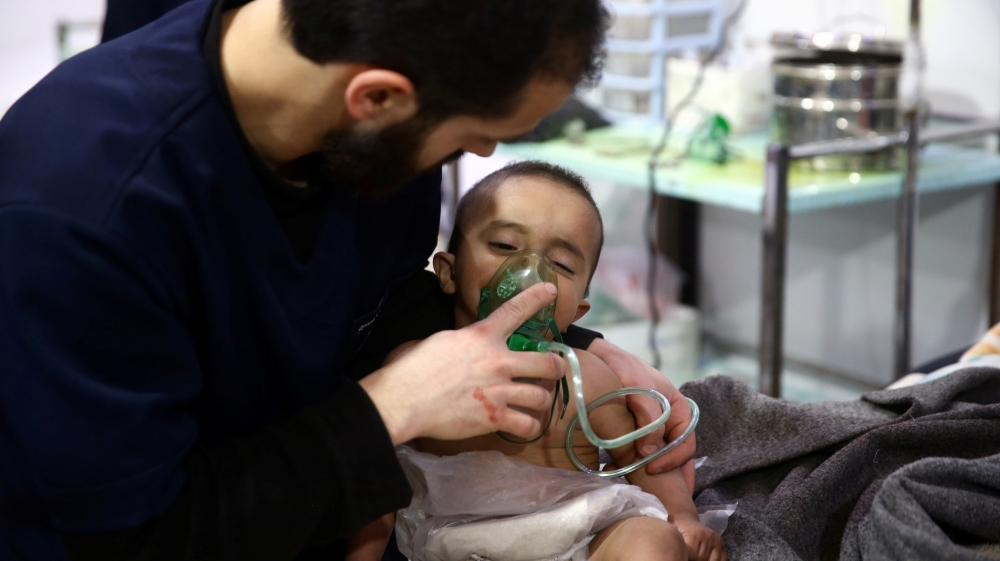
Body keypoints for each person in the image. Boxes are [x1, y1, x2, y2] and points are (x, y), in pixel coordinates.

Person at [0, 1, 695, 560]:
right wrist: (391, 406)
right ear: (378, 97)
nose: (482, 152)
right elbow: (137, 536)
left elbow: (383, 299)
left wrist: (583, 349)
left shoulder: (368, 133)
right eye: (474, 134)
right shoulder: (84, 213)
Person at [348, 162, 724, 561]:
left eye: (560, 264)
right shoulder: (416, 366)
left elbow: (642, 456)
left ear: (577, 312)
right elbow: (376, 475)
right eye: (505, 246)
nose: (529, 271)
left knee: (651, 541)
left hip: (574, 534)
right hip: (451, 541)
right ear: (448, 272)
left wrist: (683, 518)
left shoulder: (588, 378)